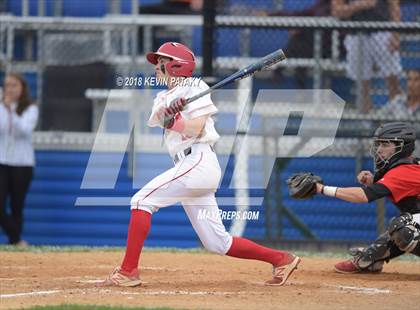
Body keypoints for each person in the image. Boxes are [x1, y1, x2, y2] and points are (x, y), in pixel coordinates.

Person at [100, 42, 300, 287]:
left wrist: (177, 120)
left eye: (160, 62)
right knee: (218, 243)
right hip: (190, 166)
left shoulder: (197, 87)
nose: (156, 67)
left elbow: (195, 129)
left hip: (199, 160)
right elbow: (158, 119)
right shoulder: (162, 97)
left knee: (141, 201)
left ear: (175, 66)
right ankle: (282, 259)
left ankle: (128, 271)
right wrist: (171, 115)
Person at [310, 122, 419, 273]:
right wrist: (375, 181)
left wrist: (321, 189)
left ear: (402, 146)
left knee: (404, 227)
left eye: (385, 144)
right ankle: (371, 260)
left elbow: (363, 196)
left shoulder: (403, 171)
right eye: (379, 144)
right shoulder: (408, 167)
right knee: (405, 223)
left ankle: (372, 259)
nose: (379, 149)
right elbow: (404, 187)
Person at [331, 0, 404, 112]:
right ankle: (366, 120)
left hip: (383, 31)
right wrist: (359, 5)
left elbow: (394, 5)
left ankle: (399, 114)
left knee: (392, 79)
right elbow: (336, 11)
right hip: (356, 34)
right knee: (362, 85)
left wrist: (396, 34)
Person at [0, 73, 38, 245]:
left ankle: (14, 242)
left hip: (22, 164)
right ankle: (17, 239)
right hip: (2, 161)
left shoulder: (30, 108)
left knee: (17, 205)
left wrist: (11, 112)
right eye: (7, 85)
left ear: (22, 88)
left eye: (14, 85)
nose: (10, 89)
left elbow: (24, 130)